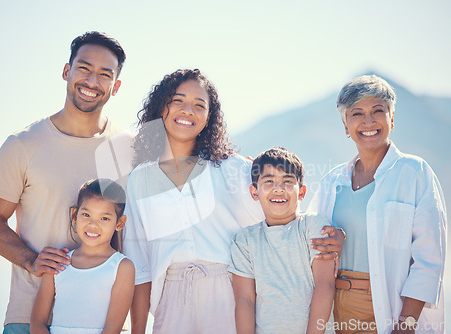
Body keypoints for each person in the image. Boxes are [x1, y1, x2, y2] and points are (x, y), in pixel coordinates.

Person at [0, 31, 133, 334]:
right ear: (67, 71)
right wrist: (31, 260)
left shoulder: (128, 149)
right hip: (29, 318)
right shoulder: (22, 144)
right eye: (84, 68)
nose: (91, 81)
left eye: (104, 74)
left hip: (105, 325)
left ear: (115, 87)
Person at [123, 69, 266, 334]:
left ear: (209, 117)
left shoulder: (234, 169)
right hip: (170, 295)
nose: (188, 110)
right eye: (178, 100)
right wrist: (138, 330)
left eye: (199, 105)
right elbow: (139, 265)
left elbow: (274, 222)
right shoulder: (139, 180)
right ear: (161, 106)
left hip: (231, 291)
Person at [308, 75, 447, 334]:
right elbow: (308, 241)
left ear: (391, 118)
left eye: (377, 111)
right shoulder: (330, 182)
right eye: (357, 113)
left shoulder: (415, 172)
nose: (368, 121)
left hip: (388, 308)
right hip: (332, 308)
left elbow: (429, 259)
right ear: (345, 125)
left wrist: (406, 324)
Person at [229, 147, 335, 334]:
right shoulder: (244, 241)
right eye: (269, 181)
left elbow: (324, 286)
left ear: (301, 192)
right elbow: (245, 301)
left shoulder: (313, 226)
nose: (278, 188)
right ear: (254, 192)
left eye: (287, 181)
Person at [31, 179, 134, 334]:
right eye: (86, 214)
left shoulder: (122, 267)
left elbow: (113, 327)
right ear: (75, 214)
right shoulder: (58, 262)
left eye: (104, 218)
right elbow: (37, 322)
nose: (93, 224)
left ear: (119, 223)